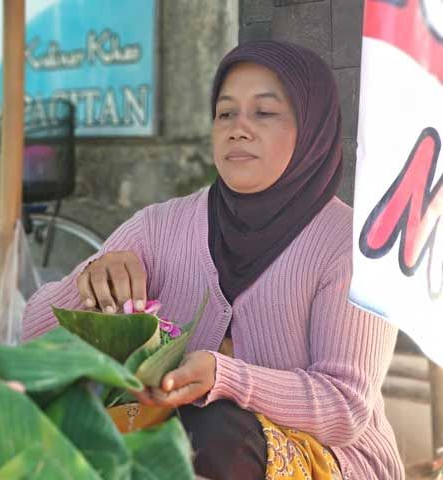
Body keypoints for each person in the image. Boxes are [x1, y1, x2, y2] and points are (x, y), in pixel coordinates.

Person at [22, 40, 404, 480]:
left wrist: (225, 378)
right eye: (225, 113)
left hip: (333, 461)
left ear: (311, 128)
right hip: (183, 448)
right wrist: (89, 282)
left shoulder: (350, 244)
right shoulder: (161, 227)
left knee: (212, 429)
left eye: (264, 112)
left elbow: (345, 407)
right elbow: (30, 334)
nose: (237, 129)